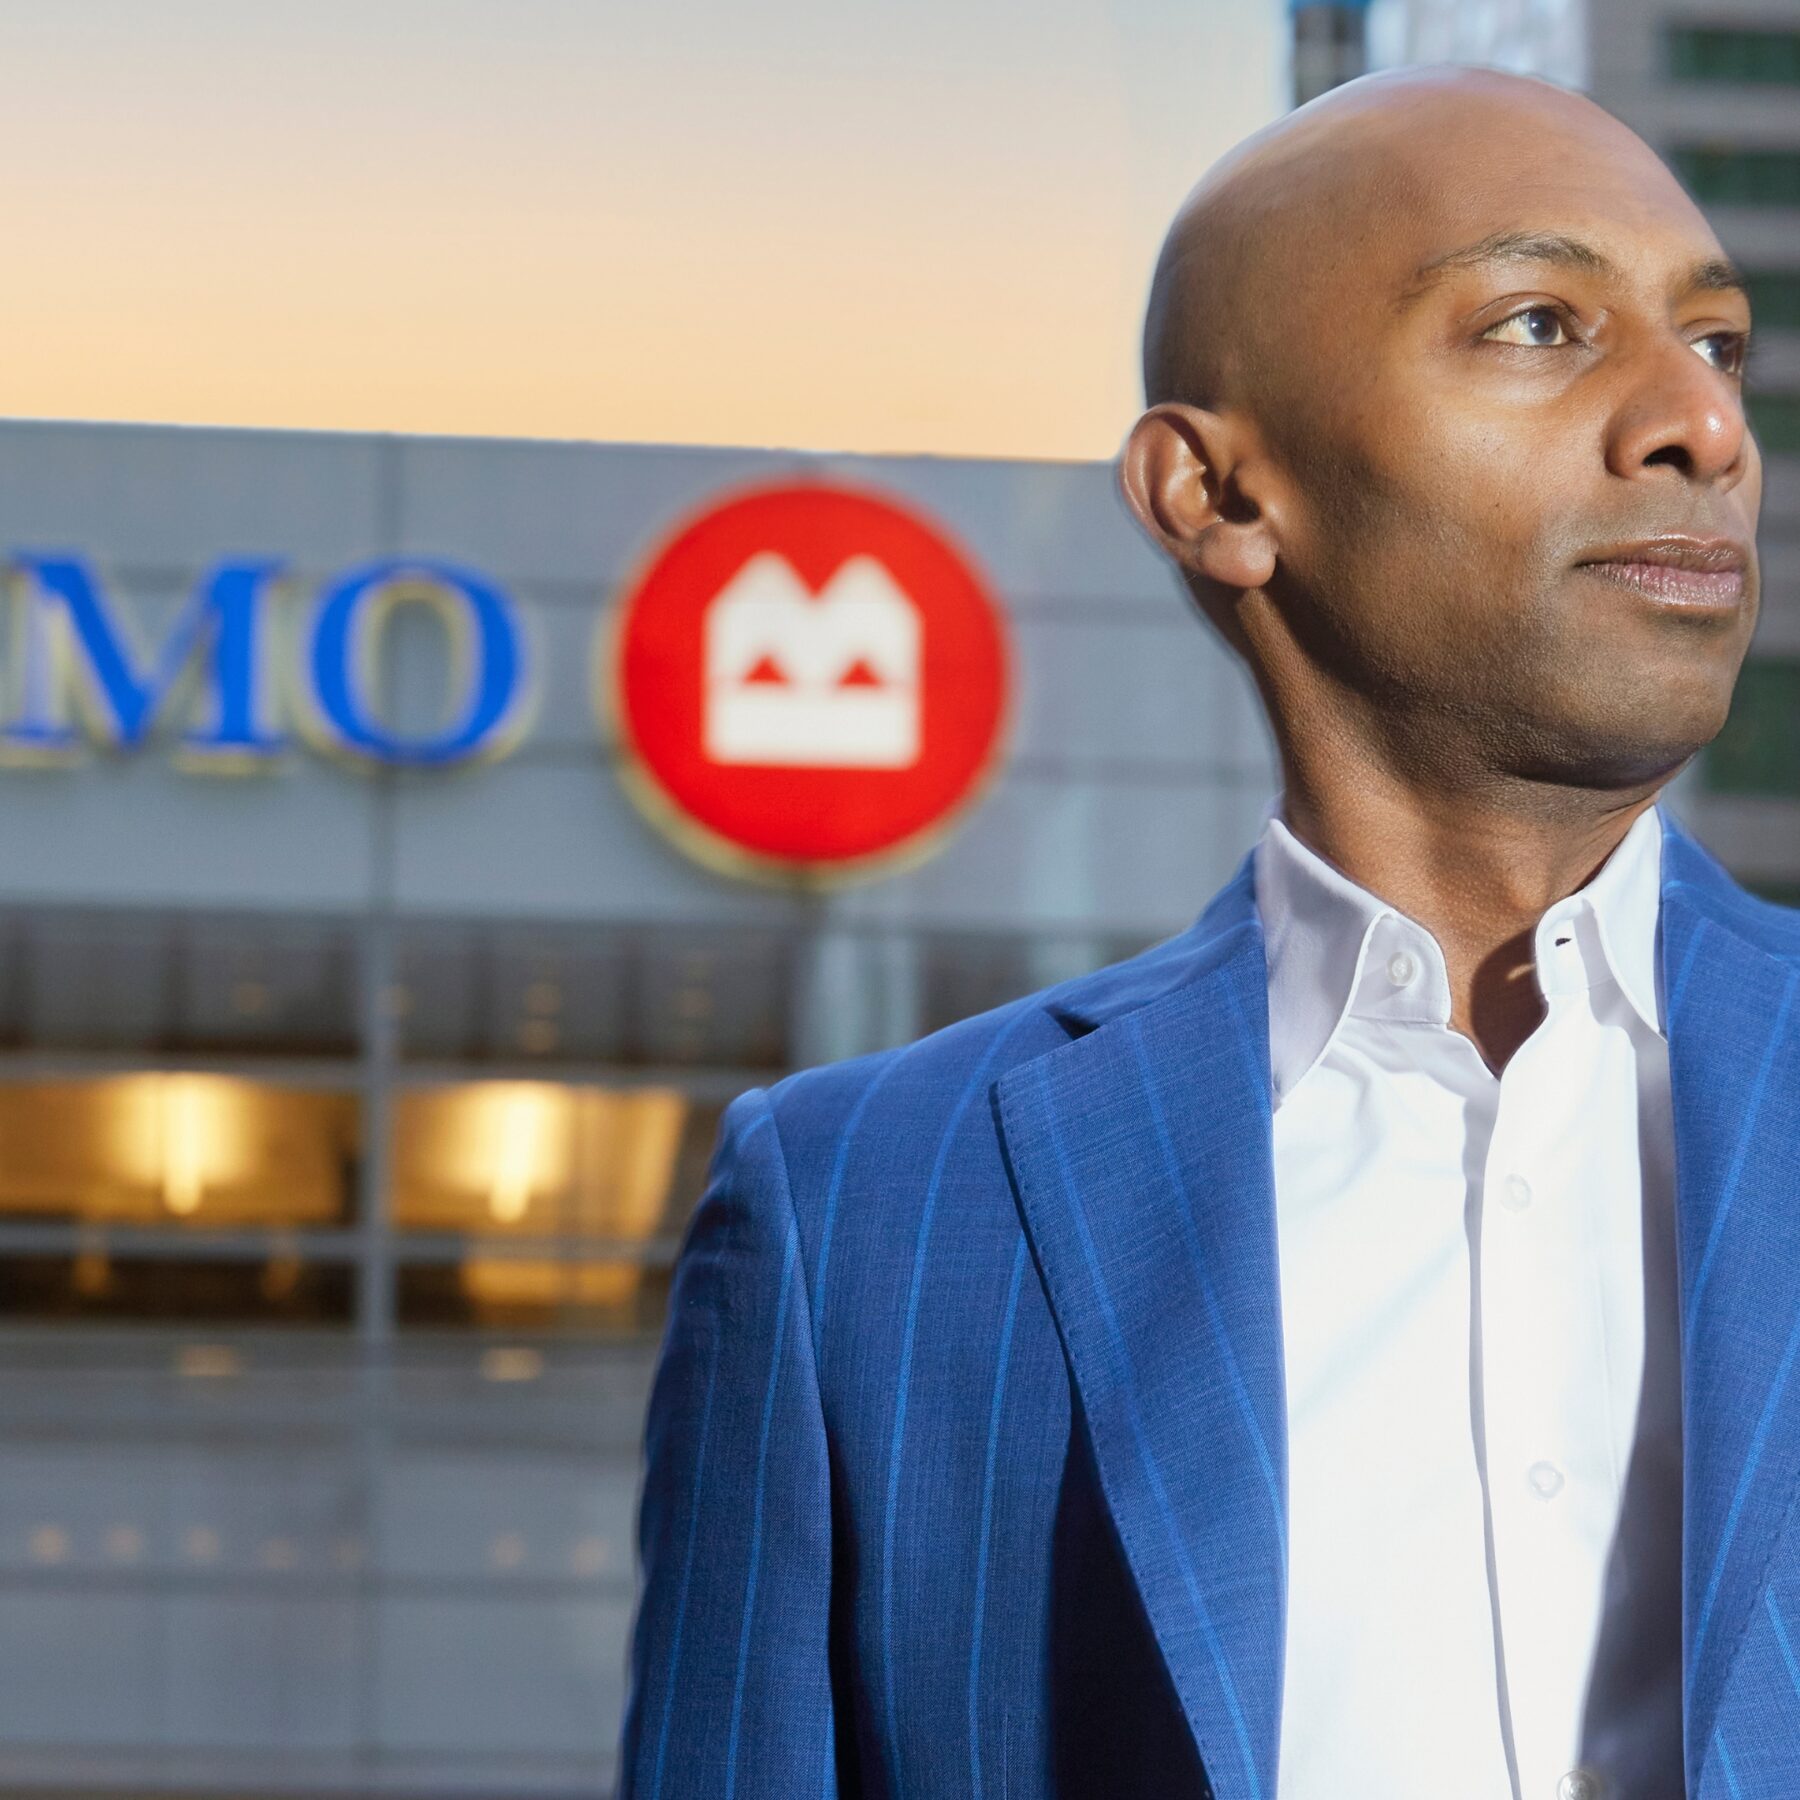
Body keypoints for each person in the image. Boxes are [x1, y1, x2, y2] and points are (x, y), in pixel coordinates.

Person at [617, 66, 1797, 1800]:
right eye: (1545, 324)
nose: (1701, 423)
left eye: (1719, 343)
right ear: (1218, 497)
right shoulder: (862, 1216)